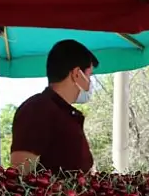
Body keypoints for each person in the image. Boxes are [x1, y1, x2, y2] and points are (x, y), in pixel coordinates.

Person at [10, 39, 99, 174]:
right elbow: (20, 175)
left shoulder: (66, 115)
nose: (91, 82)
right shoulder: (37, 109)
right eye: (89, 75)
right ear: (76, 74)